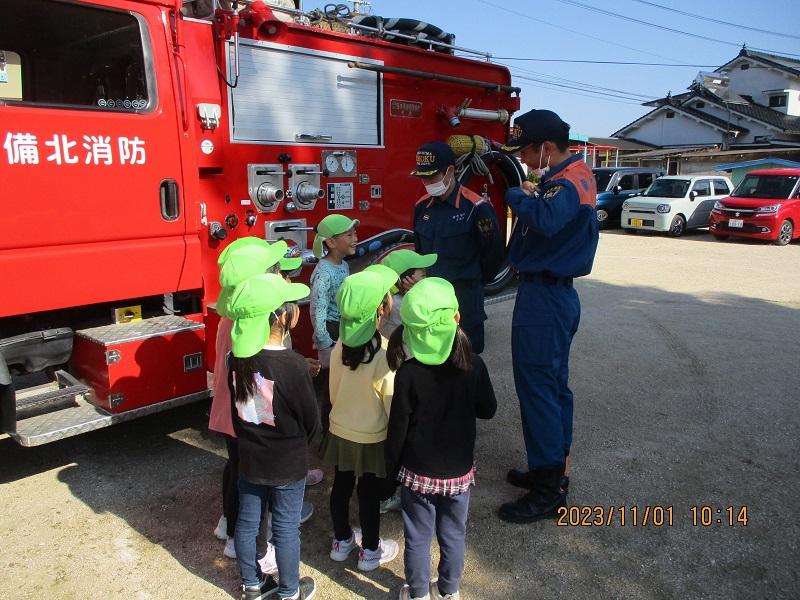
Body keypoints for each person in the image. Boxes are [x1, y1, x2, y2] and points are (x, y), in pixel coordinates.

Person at [496, 109, 599, 524]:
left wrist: (517, 195)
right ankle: (552, 469)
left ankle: (547, 490)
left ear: (546, 148)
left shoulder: (566, 181)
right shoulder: (573, 175)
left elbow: (544, 218)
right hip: (553, 295)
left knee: (538, 391)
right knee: (553, 388)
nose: (523, 157)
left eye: (525, 149)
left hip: (544, 297)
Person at [384, 277, 497, 600]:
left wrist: (389, 472)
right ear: (457, 318)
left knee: (417, 536)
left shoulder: (408, 373)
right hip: (458, 471)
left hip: (417, 472)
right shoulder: (473, 366)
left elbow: (397, 430)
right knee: (453, 533)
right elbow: (488, 409)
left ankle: (417, 592)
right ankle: (449, 590)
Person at [211, 239, 320, 563]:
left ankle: (227, 523)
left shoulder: (234, 312)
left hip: (233, 407)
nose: (279, 271)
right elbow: (266, 370)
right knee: (246, 474)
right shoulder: (248, 322)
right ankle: (238, 536)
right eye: (273, 268)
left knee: (236, 467)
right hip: (246, 412)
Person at [227, 273, 320, 600]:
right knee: (285, 528)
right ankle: (290, 591)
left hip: (251, 458)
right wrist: (305, 441)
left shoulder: (237, 358)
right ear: (281, 316)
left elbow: (237, 411)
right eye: (291, 304)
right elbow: (311, 419)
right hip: (287, 462)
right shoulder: (292, 365)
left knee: (248, 522)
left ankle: (252, 585)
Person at [320, 264, 401, 571]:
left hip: (341, 430)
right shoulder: (383, 353)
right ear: (381, 309)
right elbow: (390, 402)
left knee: (340, 487)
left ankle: (341, 541)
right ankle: (369, 551)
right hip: (372, 436)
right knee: (368, 494)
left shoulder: (340, 345)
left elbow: (332, 391)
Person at [411, 141, 504, 354]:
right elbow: (420, 252)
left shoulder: (476, 208)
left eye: (432, 176)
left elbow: (492, 256)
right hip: (431, 306)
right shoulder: (421, 207)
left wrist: (470, 281)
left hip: (464, 304)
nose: (426, 182)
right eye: (422, 177)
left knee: (466, 366)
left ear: (450, 171)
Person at [376, 248, 437, 514]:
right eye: (422, 271)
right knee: (405, 437)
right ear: (408, 279)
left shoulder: (390, 301)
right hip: (408, 377)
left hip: (396, 375)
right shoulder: (404, 307)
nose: (427, 273)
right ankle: (395, 492)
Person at [309, 214, 359, 431]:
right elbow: (317, 308)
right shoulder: (323, 272)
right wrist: (323, 342)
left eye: (354, 233)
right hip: (330, 332)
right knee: (330, 387)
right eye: (349, 235)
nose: (355, 238)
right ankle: (327, 435)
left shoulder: (343, 265)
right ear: (331, 242)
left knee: (342, 385)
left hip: (342, 329)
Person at [377, 249, 437, 341]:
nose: (427, 278)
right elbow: (428, 329)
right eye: (423, 276)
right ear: (406, 279)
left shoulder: (405, 296)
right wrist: (418, 294)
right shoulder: (398, 304)